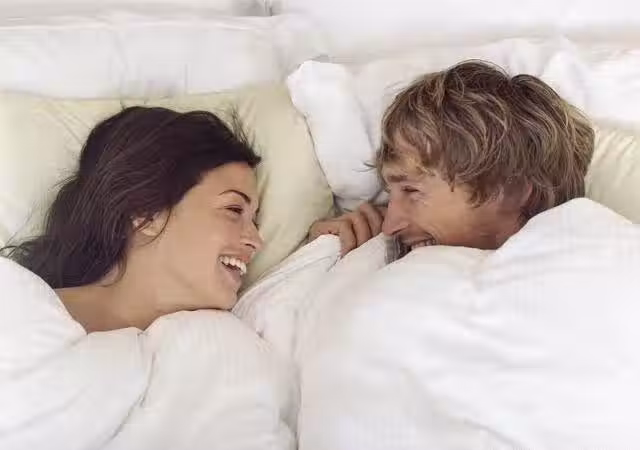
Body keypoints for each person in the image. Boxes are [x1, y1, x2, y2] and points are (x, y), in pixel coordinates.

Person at [1, 106, 263, 332]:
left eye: (255, 221)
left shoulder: (234, 341)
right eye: (234, 210)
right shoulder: (19, 316)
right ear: (146, 214)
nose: (256, 241)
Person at [309, 60, 594, 255]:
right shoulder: (381, 252)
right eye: (391, 193)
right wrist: (319, 255)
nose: (389, 226)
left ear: (512, 192)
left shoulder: (589, 265)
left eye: (411, 190)